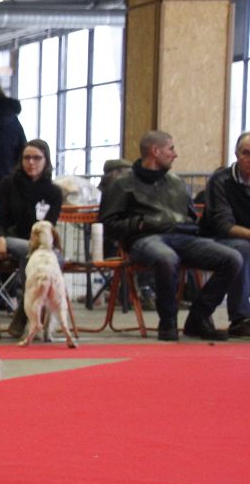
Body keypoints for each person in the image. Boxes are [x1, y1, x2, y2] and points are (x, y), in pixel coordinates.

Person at [99, 130, 242, 341]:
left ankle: (198, 318)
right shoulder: (121, 183)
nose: (175, 154)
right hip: (144, 240)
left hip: (184, 237)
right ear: (155, 151)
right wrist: (139, 223)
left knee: (232, 258)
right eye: (171, 148)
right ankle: (168, 321)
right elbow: (109, 225)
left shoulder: (176, 182)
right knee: (167, 258)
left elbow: (192, 218)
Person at [0, 139, 63, 337]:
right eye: (27, 158)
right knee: (28, 252)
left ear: (46, 161)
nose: (31, 162)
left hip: (40, 245)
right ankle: (26, 311)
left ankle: (40, 315)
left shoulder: (54, 192)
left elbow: (50, 225)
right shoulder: (8, 183)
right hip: (10, 238)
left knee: (54, 259)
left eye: (37, 158)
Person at [198, 131, 250, 338]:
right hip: (216, 239)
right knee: (244, 250)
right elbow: (223, 225)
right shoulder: (220, 181)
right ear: (236, 154)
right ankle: (241, 318)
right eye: (246, 153)